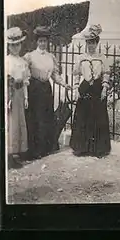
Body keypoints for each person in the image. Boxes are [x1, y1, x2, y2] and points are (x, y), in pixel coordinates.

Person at [24, 26, 71, 160]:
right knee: (35, 119)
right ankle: (34, 150)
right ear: (36, 42)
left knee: (46, 118)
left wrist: (64, 84)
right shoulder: (30, 56)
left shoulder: (51, 57)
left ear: (47, 42)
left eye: (45, 41)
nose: (43, 43)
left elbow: (55, 75)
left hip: (46, 89)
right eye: (40, 41)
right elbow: (25, 73)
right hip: (34, 89)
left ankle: (45, 148)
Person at [69, 25, 112, 158]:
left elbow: (106, 73)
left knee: (98, 117)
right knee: (83, 116)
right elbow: (76, 74)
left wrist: (105, 88)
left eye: (93, 42)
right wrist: (76, 89)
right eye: (89, 43)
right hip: (85, 87)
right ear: (86, 43)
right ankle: (82, 148)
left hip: (97, 88)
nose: (91, 45)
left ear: (97, 43)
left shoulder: (102, 57)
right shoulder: (81, 58)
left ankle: (98, 149)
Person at [6, 27, 30, 169]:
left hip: (20, 93)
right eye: (13, 45)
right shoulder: (7, 61)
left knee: (21, 122)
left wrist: (26, 97)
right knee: (12, 123)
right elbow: (7, 81)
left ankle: (18, 152)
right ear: (9, 46)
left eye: (18, 44)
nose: (16, 48)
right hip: (12, 93)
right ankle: (10, 153)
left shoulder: (22, 61)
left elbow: (25, 81)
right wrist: (8, 97)